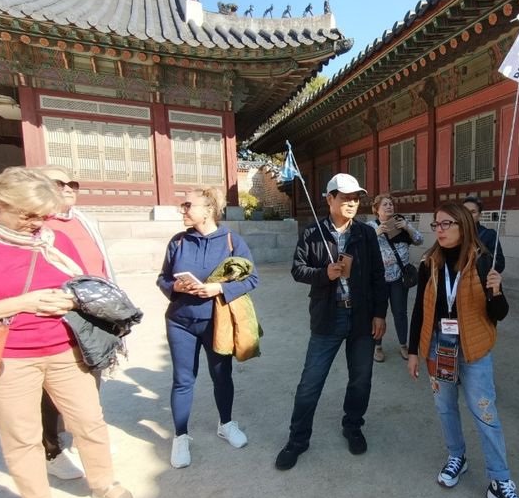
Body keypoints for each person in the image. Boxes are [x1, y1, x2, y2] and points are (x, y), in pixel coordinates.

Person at [0, 167, 132, 498]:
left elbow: (83, 287)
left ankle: (103, 481)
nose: (36, 224)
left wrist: (70, 300)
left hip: (65, 348)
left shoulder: (55, 240)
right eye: (27, 215)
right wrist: (19, 303)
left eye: (42, 215)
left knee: (89, 421)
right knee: (22, 438)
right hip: (8, 357)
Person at [406, 202, 519, 498]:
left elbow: (499, 314)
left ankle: (500, 481)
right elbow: (421, 309)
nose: (440, 230)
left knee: (485, 411)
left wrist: (495, 292)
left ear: (463, 225)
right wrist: (412, 351)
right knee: (445, 406)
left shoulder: (482, 261)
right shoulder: (428, 263)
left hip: (474, 348)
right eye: (436, 225)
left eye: (446, 223)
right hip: (439, 347)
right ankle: (457, 456)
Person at [275, 173, 388, 470]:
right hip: (329, 316)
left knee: (361, 379)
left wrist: (380, 314)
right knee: (310, 382)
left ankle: (353, 426)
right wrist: (323, 274)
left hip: (362, 317)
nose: (352, 203)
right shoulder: (313, 233)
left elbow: (378, 275)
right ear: (329, 199)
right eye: (345, 197)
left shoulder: (365, 234)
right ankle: (297, 439)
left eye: (356, 198)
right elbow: (298, 270)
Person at [156, 186, 259, 469]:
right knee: (183, 379)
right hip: (180, 321)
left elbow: (252, 279)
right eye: (183, 205)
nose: (183, 210)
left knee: (221, 375)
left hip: (217, 321)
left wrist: (219, 288)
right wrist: (174, 285)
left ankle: (226, 423)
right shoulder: (178, 242)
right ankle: (180, 436)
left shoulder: (231, 241)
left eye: (188, 205)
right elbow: (163, 278)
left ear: (209, 209)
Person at [32, 166, 115, 481]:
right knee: (50, 385)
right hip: (55, 313)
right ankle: (51, 447)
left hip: (92, 310)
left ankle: (84, 437)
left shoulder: (84, 221)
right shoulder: (38, 226)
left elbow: (102, 266)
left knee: (90, 373)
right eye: (58, 182)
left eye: (72, 183)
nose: (68, 187)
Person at [367, 193, 423, 362]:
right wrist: (376, 233)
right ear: (376, 209)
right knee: (379, 313)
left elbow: (419, 240)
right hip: (379, 279)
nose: (389, 206)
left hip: (400, 277)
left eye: (391, 204)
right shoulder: (370, 227)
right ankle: (377, 346)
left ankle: (403, 345)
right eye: (385, 204)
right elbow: (361, 247)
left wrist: (407, 227)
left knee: (400, 312)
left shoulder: (401, 222)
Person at [463, 196, 505, 272]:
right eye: (464, 211)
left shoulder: (489, 235)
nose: (468, 215)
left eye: (473, 212)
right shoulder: (455, 234)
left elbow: (500, 265)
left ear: (479, 216)